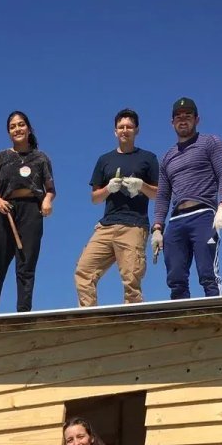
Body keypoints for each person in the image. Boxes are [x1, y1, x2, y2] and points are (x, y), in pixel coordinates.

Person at [74, 109, 159, 307]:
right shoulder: (105, 160)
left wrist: (141, 186)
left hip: (134, 226)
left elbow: (158, 194)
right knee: (84, 271)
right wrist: (108, 189)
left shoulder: (148, 158)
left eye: (129, 127)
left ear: (136, 130)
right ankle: (90, 321)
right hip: (106, 226)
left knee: (131, 281)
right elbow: (94, 198)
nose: (125, 130)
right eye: (121, 127)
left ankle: (133, 326)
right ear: (115, 131)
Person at [152, 97, 222, 299]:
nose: (183, 120)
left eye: (187, 116)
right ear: (172, 123)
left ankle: (218, 316)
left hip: (204, 215)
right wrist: (157, 228)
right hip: (176, 220)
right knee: (176, 278)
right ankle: (183, 325)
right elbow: (163, 195)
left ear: (197, 119)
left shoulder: (210, 142)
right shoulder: (167, 157)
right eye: (178, 117)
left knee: (208, 273)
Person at [0, 111, 55, 315]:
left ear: (29, 128)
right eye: (13, 126)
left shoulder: (41, 158)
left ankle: (23, 315)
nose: (17, 129)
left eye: (21, 125)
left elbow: (50, 189)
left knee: (26, 268)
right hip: (4, 211)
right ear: (8, 132)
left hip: (31, 212)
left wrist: (47, 201)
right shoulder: (0, 157)